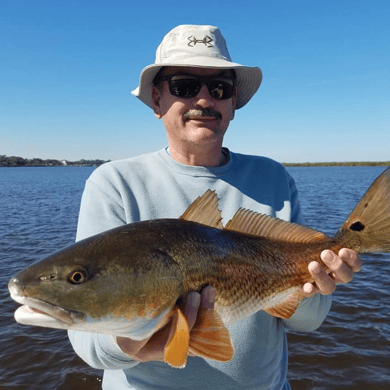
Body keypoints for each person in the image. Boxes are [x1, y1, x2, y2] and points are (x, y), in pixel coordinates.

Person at [68, 25, 362, 390]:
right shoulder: (114, 184)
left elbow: (306, 322)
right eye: (184, 86)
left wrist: (312, 286)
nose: (204, 100)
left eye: (219, 88)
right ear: (157, 99)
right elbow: (86, 340)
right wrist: (134, 344)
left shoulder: (272, 177)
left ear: (233, 104)